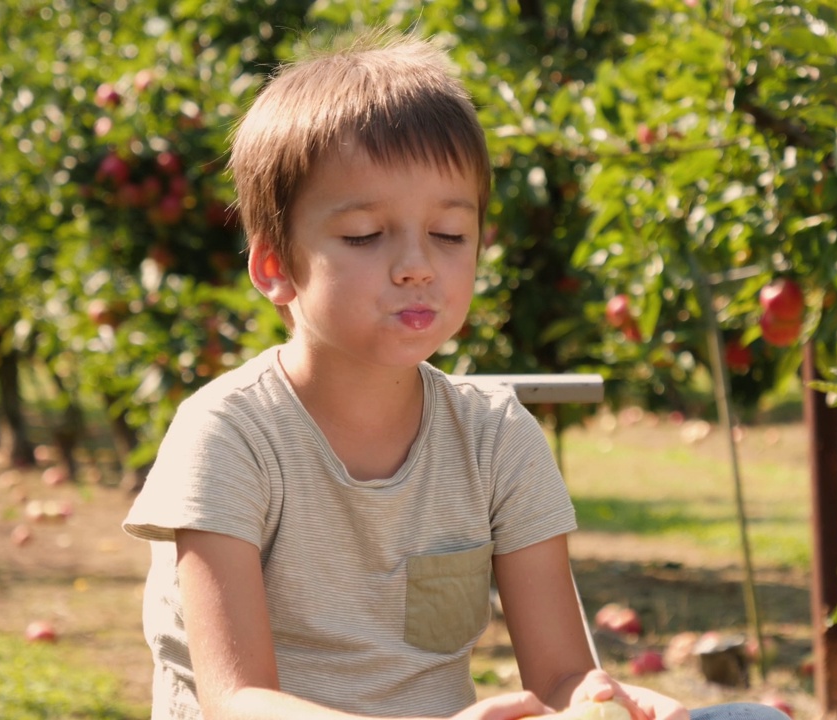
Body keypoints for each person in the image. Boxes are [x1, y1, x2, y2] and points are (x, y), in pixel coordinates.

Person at [123, 29, 789, 720]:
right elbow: (236, 701)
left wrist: (602, 699)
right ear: (274, 268)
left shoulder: (495, 437)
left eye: (449, 235)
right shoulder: (228, 436)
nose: (417, 265)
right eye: (363, 236)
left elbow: (561, 672)